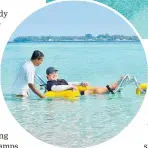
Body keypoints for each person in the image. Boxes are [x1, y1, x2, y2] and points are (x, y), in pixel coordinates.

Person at [46, 67, 121, 95]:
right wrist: (70, 86)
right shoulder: (50, 83)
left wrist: (81, 83)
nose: (54, 74)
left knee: (92, 88)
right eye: (52, 73)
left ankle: (114, 85)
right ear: (48, 76)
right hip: (74, 94)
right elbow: (55, 88)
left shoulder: (60, 80)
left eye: (55, 72)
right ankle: (112, 86)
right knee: (93, 91)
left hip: (76, 90)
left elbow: (70, 83)